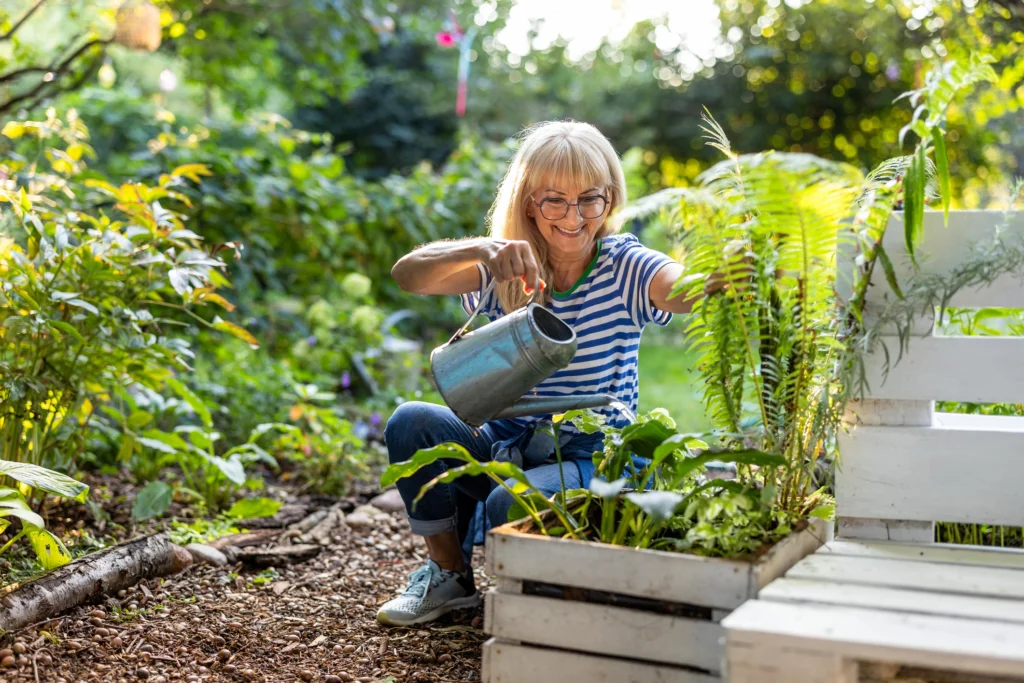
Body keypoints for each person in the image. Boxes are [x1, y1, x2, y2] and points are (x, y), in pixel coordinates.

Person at [377, 120, 712, 626]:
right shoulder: (508, 266)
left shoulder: (625, 265)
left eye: (590, 199)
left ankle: (550, 602)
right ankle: (450, 577)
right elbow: (408, 275)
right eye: (555, 199)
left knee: (504, 502)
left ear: (611, 199)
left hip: (591, 455)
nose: (574, 217)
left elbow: (677, 288)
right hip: (506, 440)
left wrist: (719, 278)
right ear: (530, 202)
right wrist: (482, 249)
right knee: (411, 423)